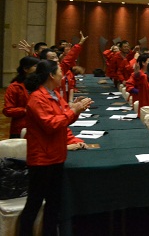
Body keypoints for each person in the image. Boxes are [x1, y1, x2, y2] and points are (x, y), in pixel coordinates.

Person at [19, 60, 93, 236]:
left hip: (57, 156)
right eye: (60, 71)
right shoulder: (37, 98)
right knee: (35, 203)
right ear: (51, 75)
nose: (63, 74)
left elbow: (64, 119)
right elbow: (51, 124)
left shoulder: (55, 94)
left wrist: (76, 109)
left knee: (54, 204)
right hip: (42, 159)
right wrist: (73, 110)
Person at [3, 56, 40, 138]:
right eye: (35, 66)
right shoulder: (14, 87)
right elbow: (7, 110)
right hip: (20, 128)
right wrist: (25, 110)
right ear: (26, 69)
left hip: (38, 127)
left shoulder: (40, 84)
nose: (38, 69)